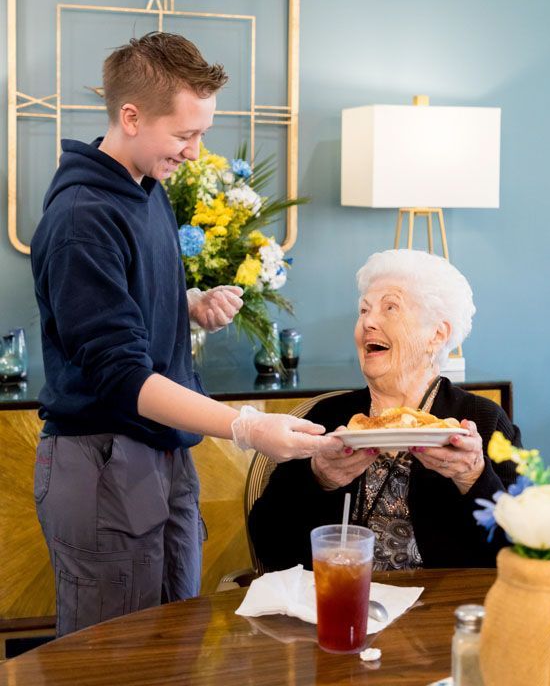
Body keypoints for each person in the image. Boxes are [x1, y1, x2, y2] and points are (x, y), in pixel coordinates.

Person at [31, 32, 341, 636]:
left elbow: (126, 303)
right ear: (130, 116)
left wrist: (189, 303)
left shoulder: (144, 189)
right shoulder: (82, 219)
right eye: (184, 135)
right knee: (118, 666)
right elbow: (120, 375)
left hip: (160, 455)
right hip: (104, 462)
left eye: (201, 134)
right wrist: (248, 427)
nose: (196, 154)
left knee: (175, 648)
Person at [249, 249, 522, 571]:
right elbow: (267, 542)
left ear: (438, 334)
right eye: (364, 310)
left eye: (390, 308)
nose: (369, 321)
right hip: (342, 601)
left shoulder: (481, 420)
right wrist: (319, 479)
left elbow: (520, 549)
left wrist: (473, 476)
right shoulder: (328, 417)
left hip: (442, 609)